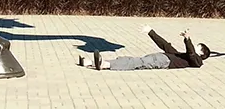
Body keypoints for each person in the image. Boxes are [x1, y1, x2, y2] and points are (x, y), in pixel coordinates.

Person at [78, 25, 210, 71]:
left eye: (196, 47)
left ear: (201, 53)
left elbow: (192, 54)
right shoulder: (183, 56)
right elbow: (166, 46)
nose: (192, 48)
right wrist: (150, 31)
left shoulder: (197, 62)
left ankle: (104, 65)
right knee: (132, 60)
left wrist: (187, 39)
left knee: (136, 63)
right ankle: (90, 63)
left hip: (163, 62)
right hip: (161, 57)